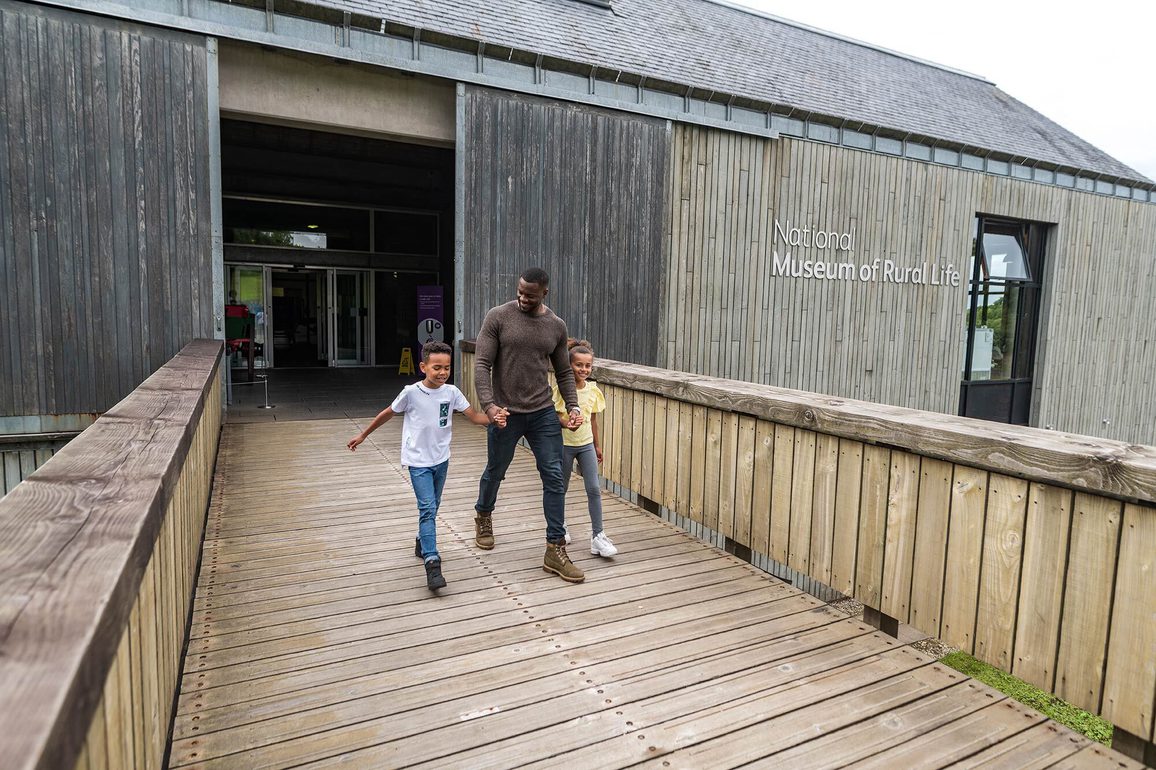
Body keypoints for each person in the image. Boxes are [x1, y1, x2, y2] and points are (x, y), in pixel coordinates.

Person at [347, 341, 505, 591]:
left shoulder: (451, 392)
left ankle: (422, 541)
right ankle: (432, 564)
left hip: (441, 460)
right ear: (423, 367)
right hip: (417, 461)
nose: (442, 373)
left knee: (434, 505)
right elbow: (388, 412)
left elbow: (474, 416)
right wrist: (364, 435)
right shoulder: (411, 392)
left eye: (447, 368)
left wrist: (494, 419)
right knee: (428, 508)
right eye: (436, 368)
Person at [473, 267, 587, 583]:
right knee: (496, 470)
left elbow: (564, 372)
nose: (523, 298)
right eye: (520, 292)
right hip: (505, 413)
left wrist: (573, 406)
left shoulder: (556, 326)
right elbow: (482, 364)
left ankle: (555, 548)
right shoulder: (497, 317)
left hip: (543, 413)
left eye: (530, 295)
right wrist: (489, 405)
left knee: (553, 474)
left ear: (544, 294)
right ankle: (483, 513)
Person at [553, 339, 617, 557]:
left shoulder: (593, 390)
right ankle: (560, 525)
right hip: (565, 446)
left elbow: (593, 420)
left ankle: (598, 536)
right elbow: (556, 417)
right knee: (561, 488)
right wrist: (565, 423)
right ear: (569, 365)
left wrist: (597, 445)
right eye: (579, 365)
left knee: (594, 489)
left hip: (586, 445)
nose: (584, 369)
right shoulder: (560, 390)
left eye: (587, 365)